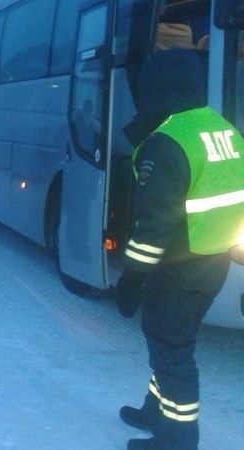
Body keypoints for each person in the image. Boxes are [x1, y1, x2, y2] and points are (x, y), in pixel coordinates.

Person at [115, 49, 244, 450]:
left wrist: (132, 277)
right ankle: (156, 409)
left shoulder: (167, 141)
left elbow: (153, 228)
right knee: (168, 336)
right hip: (213, 259)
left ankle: (179, 436)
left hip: (180, 265)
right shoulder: (222, 129)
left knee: (171, 346)